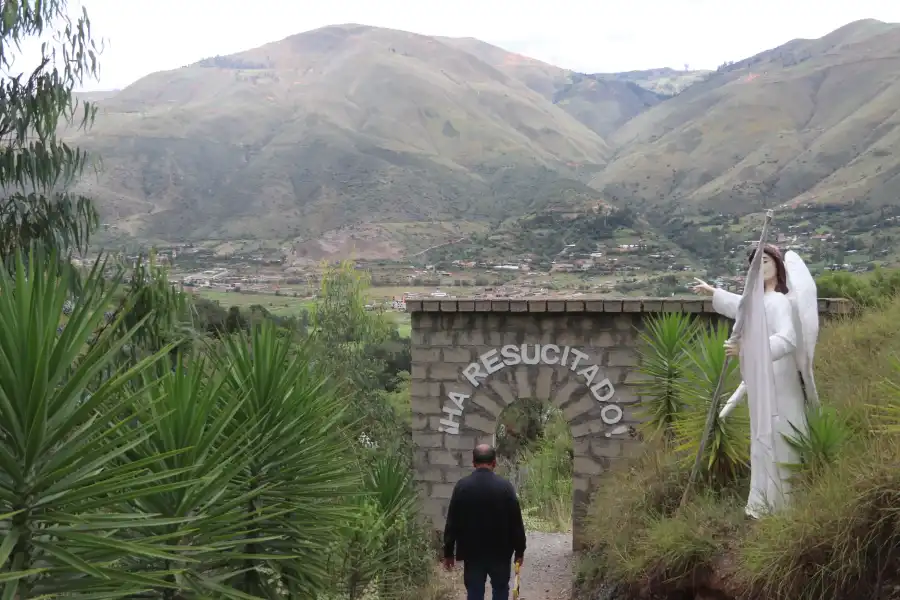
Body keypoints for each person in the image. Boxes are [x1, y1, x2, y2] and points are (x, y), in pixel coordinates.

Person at [691, 244, 815, 518]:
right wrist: (715, 292)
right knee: (762, 441)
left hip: (781, 383)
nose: (762, 267)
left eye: (767, 261)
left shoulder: (782, 301)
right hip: (763, 382)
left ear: (778, 266)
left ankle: (785, 506)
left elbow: (787, 339)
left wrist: (746, 350)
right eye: (756, 264)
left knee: (781, 440)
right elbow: (744, 306)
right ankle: (762, 503)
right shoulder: (761, 302)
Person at [442, 444, 526, 600]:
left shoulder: (462, 487)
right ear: (494, 463)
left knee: (474, 592)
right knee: (500, 590)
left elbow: (452, 522)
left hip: (472, 554)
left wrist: (448, 553)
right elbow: (516, 523)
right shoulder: (505, 487)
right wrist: (520, 551)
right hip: (500, 553)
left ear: (473, 463)